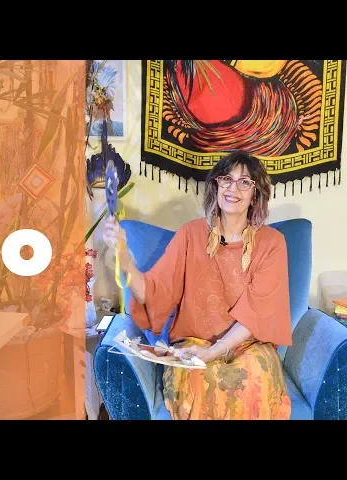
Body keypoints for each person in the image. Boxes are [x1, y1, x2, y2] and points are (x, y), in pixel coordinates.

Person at [103, 150, 292, 420]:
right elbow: (151, 293)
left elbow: (257, 313)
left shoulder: (272, 243)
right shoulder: (190, 234)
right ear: (216, 185)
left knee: (250, 385)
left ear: (255, 194)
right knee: (201, 386)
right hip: (192, 345)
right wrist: (123, 256)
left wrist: (213, 351)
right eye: (226, 179)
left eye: (244, 182)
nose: (233, 188)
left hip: (249, 345)